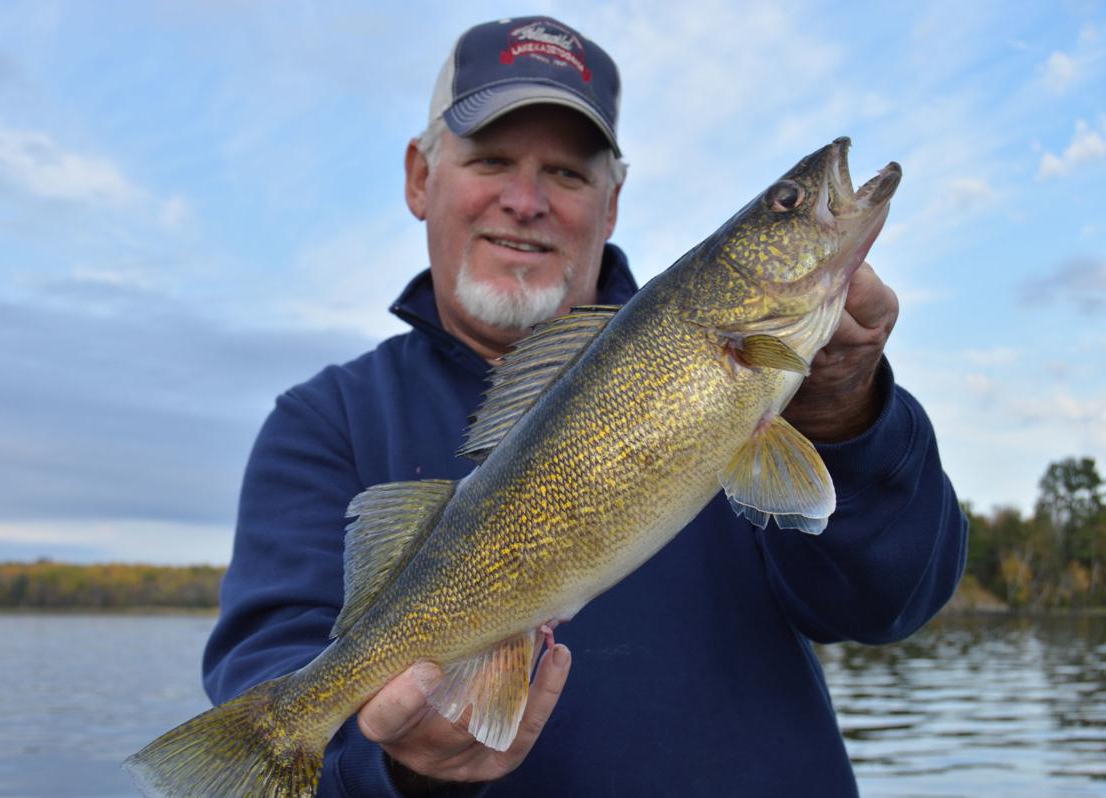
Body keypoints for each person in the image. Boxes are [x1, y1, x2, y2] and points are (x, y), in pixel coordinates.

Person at [203, 15, 967, 797]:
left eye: (568, 174)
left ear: (612, 204)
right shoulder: (323, 423)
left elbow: (889, 606)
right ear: (419, 179)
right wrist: (399, 771)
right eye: (491, 160)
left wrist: (844, 416)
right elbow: (272, 671)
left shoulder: (772, 385)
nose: (525, 200)